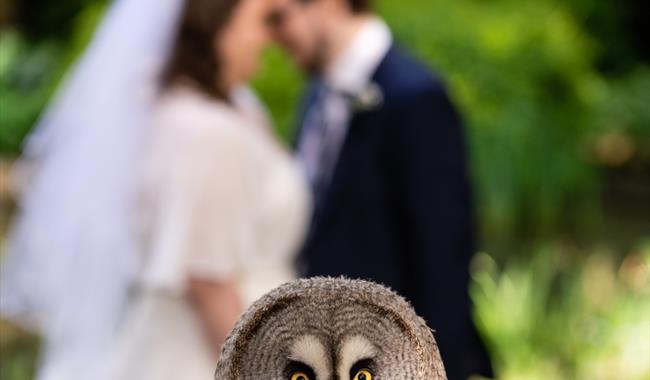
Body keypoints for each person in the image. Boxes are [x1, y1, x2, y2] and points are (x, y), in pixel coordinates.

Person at [0, 0, 309, 379]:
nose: (270, 36)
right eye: (262, 21)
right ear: (217, 25)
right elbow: (209, 283)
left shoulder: (172, 109)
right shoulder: (207, 133)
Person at [268, 0, 493, 378]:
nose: (274, 35)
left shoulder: (416, 97)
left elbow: (442, 259)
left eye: (280, 17)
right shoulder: (316, 95)